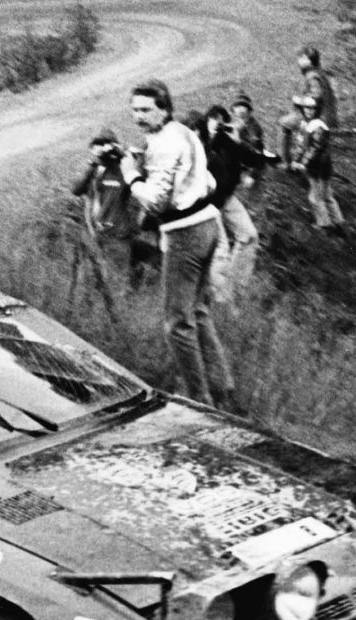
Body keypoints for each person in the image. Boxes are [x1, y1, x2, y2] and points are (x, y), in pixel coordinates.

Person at [118, 79, 239, 412]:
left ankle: (201, 402)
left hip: (185, 232)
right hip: (209, 224)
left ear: (164, 110)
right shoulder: (185, 133)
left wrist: (131, 174)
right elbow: (209, 180)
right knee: (198, 313)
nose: (139, 117)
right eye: (134, 110)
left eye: (146, 110)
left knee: (176, 323)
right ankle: (223, 391)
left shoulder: (162, 145)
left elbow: (155, 203)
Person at [196, 105, 274, 306]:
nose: (217, 123)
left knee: (249, 236)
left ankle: (235, 288)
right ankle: (221, 300)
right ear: (206, 122)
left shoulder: (227, 143)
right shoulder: (198, 144)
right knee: (219, 248)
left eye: (221, 119)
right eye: (212, 118)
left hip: (226, 198)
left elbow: (249, 158)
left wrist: (237, 142)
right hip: (207, 204)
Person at [68, 128, 156, 307]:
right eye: (98, 145)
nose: (102, 148)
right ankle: (121, 308)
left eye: (106, 144)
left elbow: (143, 181)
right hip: (97, 235)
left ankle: (128, 307)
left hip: (118, 234)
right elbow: (76, 189)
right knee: (101, 282)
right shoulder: (94, 171)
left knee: (122, 279)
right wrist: (93, 164)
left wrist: (122, 154)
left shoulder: (122, 170)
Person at [287, 94, 344, 233]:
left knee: (315, 198)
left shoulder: (317, 126)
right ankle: (339, 222)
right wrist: (296, 159)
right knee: (327, 195)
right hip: (318, 166)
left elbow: (315, 148)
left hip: (319, 167)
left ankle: (325, 225)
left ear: (316, 110)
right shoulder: (307, 124)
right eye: (306, 108)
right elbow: (302, 145)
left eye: (312, 109)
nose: (309, 111)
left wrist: (303, 164)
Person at [278, 46, 338, 156]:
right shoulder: (319, 72)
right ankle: (300, 151)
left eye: (301, 58)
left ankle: (285, 159)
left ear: (308, 60)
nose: (298, 61)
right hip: (326, 114)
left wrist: (298, 100)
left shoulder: (312, 76)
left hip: (318, 115)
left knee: (284, 123)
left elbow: (316, 98)